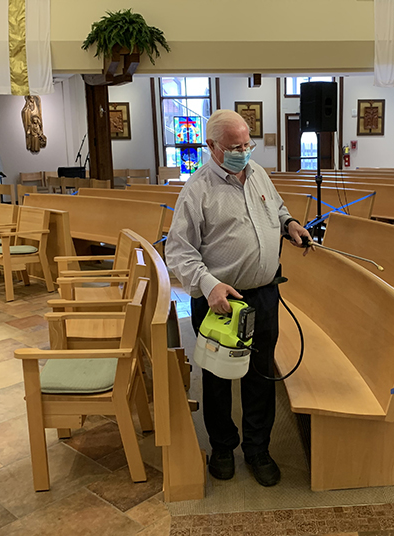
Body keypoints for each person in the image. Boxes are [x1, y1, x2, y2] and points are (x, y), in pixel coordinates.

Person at [166, 109, 312, 487]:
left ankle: (258, 449)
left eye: (248, 144)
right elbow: (179, 251)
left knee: (260, 375)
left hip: (263, 296)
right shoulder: (196, 190)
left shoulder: (258, 173)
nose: (243, 151)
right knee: (216, 379)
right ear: (211, 146)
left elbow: (276, 210)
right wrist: (208, 284)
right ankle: (222, 447)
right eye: (234, 146)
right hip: (221, 302)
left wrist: (290, 224)